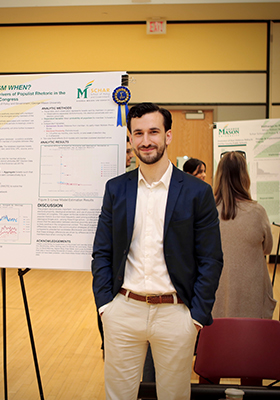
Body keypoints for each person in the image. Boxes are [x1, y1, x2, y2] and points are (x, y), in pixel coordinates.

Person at [91, 102, 223, 400]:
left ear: (168, 136)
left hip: (176, 314)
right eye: (138, 133)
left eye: (153, 131)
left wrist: (196, 316)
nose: (146, 140)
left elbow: (211, 258)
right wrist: (105, 307)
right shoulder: (116, 189)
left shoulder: (196, 192)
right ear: (130, 138)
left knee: (173, 396)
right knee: (119, 395)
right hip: (123, 310)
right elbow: (102, 251)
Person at [212, 151, 276, 319]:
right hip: (252, 296)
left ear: (219, 176)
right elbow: (268, 248)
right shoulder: (257, 212)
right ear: (244, 177)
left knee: (221, 342)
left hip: (217, 296)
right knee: (251, 343)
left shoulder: (209, 213)